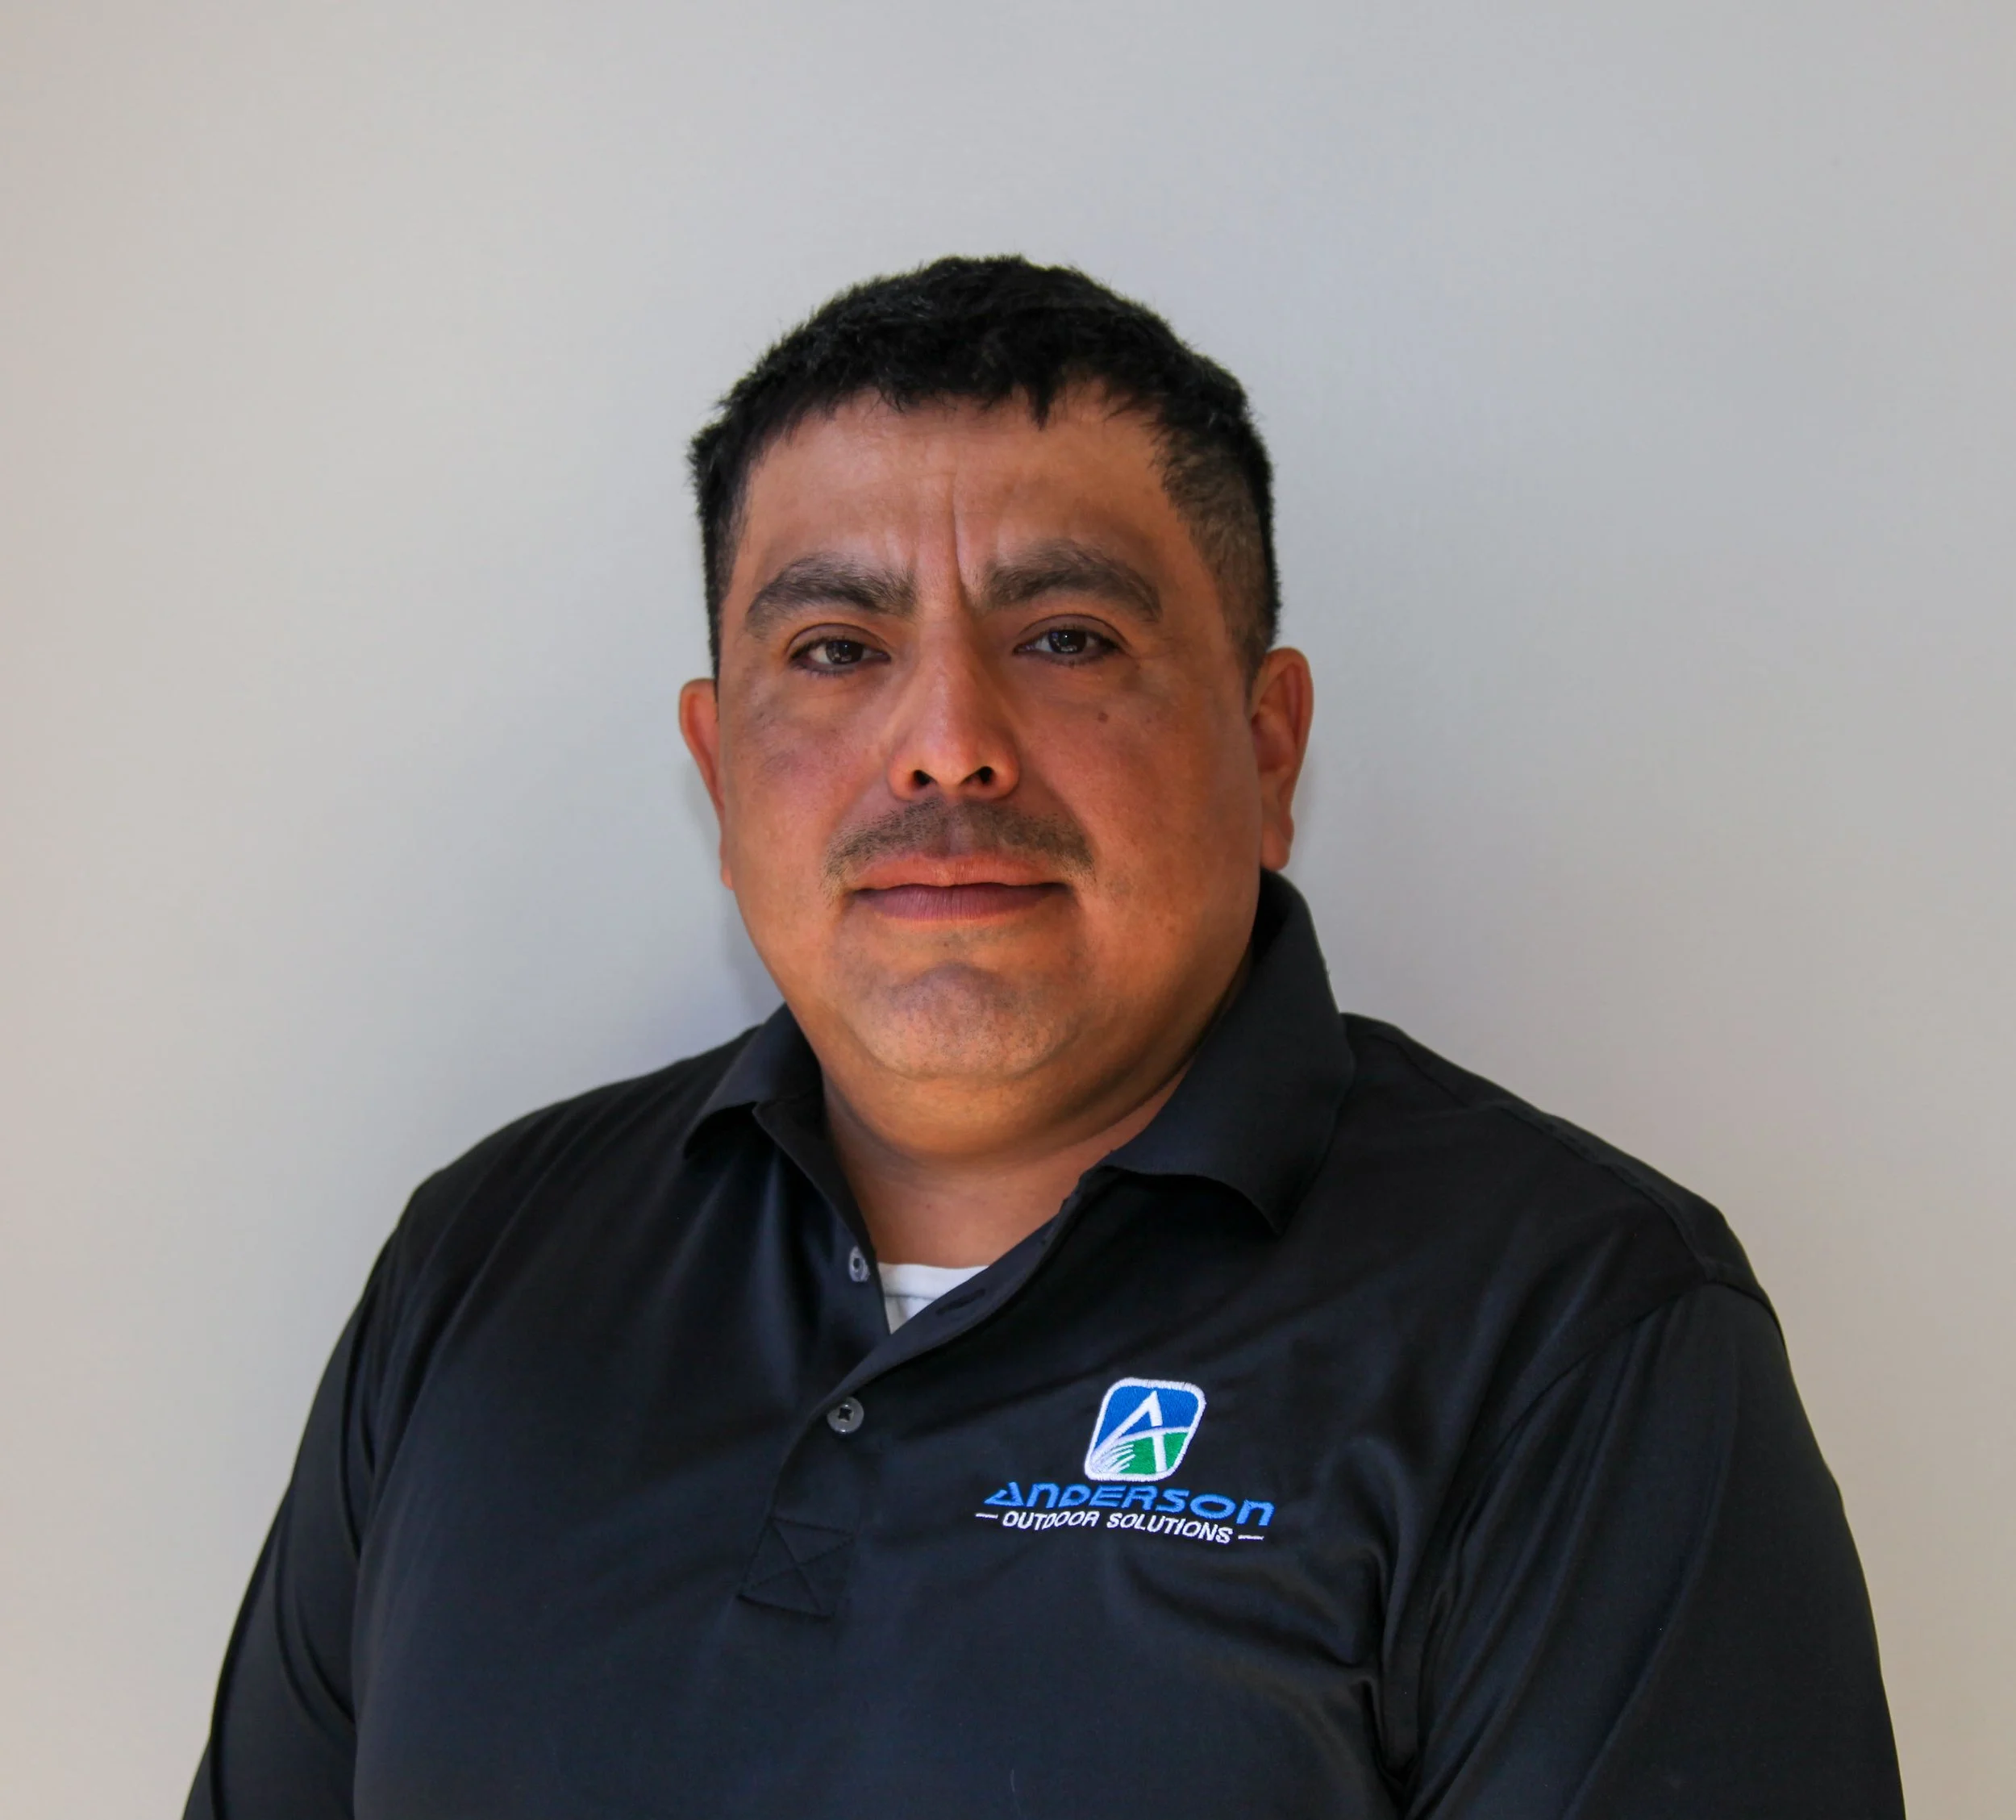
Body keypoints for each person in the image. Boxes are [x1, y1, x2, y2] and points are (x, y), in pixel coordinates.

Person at [185, 256, 1904, 1818]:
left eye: (1065, 637)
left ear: (1268, 747)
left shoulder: (1575, 1341)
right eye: (836, 646)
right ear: (719, 776)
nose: (944, 744)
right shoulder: (480, 1269)